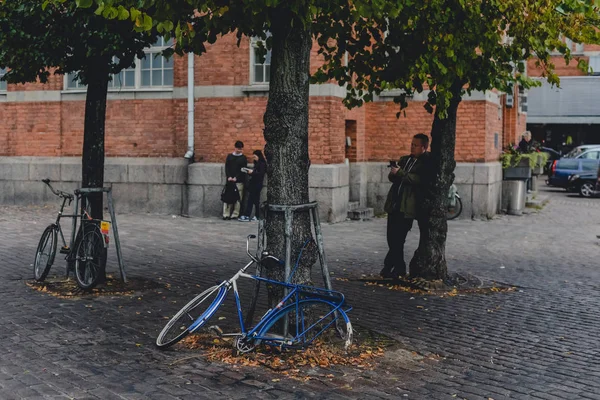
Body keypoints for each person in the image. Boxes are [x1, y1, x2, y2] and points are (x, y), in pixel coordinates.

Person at [381, 133, 430, 279]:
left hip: (407, 207)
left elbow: (419, 180)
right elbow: (393, 178)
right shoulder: (405, 159)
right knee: (391, 238)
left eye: (415, 145)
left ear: (424, 147)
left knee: (398, 238)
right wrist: (394, 171)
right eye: (411, 144)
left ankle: (394, 267)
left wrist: (400, 172)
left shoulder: (426, 162)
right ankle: (394, 266)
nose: (412, 147)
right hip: (394, 203)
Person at [238, 150, 267, 221]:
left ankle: (247, 215)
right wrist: (249, 172)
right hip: (254, 184)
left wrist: (252, 172)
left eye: (255, 157)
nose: (254, 158)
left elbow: (260, 174)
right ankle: (256, 216)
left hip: (257, 184)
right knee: (255, 201)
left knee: (251, 200)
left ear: (258, 156)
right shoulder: (257, 163)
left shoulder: (262, 164)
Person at [222, 140, 248, 220]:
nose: (239, 150)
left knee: (238, 198)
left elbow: (243, 170)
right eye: (238, 148)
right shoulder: (229, 156)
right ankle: (226, 214)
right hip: (230, 181)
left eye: (240, 149)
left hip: (239, 181)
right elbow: (227, 167)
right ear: (235, 148)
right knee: (227, 198)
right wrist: (229, 176)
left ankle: (235, 214)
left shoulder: (243, 158)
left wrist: (236, 177)